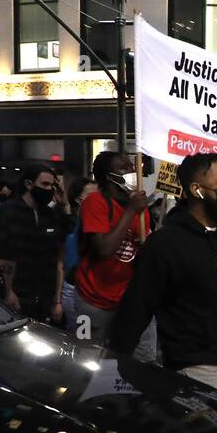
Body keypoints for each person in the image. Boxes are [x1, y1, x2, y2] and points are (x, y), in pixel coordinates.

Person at [109, 153, 217, 396]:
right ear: (197, 190)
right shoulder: (166, 243)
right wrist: (114, 363)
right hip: (191, 364)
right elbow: (137, 306)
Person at [73, 151, 156, 361]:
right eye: (125, 167)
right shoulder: (95, 203)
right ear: (108, 176)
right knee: (88, 359)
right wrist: (130, 211)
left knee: (139, 361)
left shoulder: (141, 209)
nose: (133, 171)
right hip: (93, 302)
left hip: (128, 300)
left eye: (133, 166)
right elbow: (103, 250)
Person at [0, 164, 70, 324]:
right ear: (29, 184)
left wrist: (65, 205)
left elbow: (61, 251)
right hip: (18, 293)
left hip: (45, 295)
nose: (49, 189)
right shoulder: (7, 212)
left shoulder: (50, 214)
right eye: (45, 184)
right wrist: (8, 291)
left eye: (52, 185)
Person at [61, 176, 97, 326]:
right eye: (92, 196)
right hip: (75, 288)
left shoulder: (95, 222)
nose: (98, 200)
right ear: (78, 199)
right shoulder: (68, 225)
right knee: (81, 337)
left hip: (92, 291)